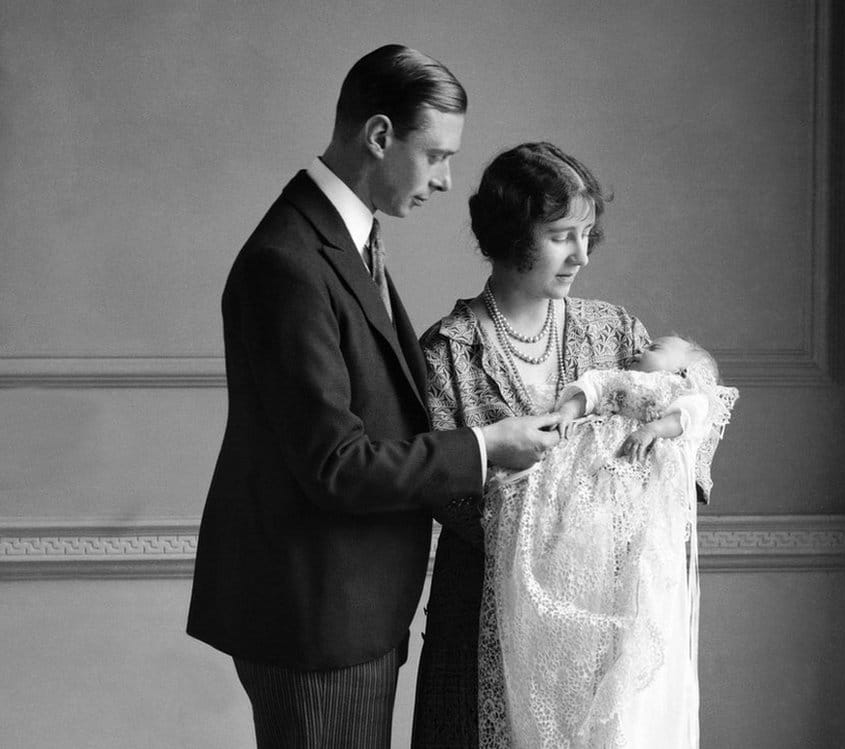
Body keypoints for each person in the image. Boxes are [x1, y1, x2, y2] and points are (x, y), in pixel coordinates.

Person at [186, 46, 561, 749]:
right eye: (437, 155)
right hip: (318, 617)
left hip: (352, 607)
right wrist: (487, 447)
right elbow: (336, 464)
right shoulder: (289, 262)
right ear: (380, 136)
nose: (448, 180)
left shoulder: (347, 242)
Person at [412, 142, 656, 747]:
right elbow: (446, 494)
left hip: (602, 622)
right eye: (560, 235)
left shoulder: (617, 332)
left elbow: (683, 435)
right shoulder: (447, 353)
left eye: (587, 233)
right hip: (479, 623)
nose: (581, 255)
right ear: (511, 233)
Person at [484, 335, 737, 747]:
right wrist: (567, 411)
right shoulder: (618, 377)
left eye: (657, 347)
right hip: (582, 473)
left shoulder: (679, 391)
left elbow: (690, 416)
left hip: (629, 486)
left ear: (682, 370)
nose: (641, 349)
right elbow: (590, 389)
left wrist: (654, 429)